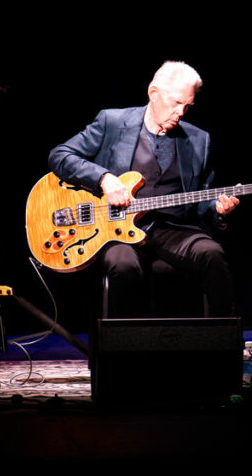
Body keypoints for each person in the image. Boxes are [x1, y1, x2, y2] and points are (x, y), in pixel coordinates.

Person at [48, 60, 239, 319]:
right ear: (153, 93)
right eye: (176, 102)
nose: (181, 112)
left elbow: (202, 197)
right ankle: (129, 342)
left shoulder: (198, 139)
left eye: (187, 106)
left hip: (174, 230)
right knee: (123, 265)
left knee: (212, 254)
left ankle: (224, 340)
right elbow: (60, 155)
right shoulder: (112, 122)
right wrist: (104, 178)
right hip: (116, 231)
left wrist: (217, 209)